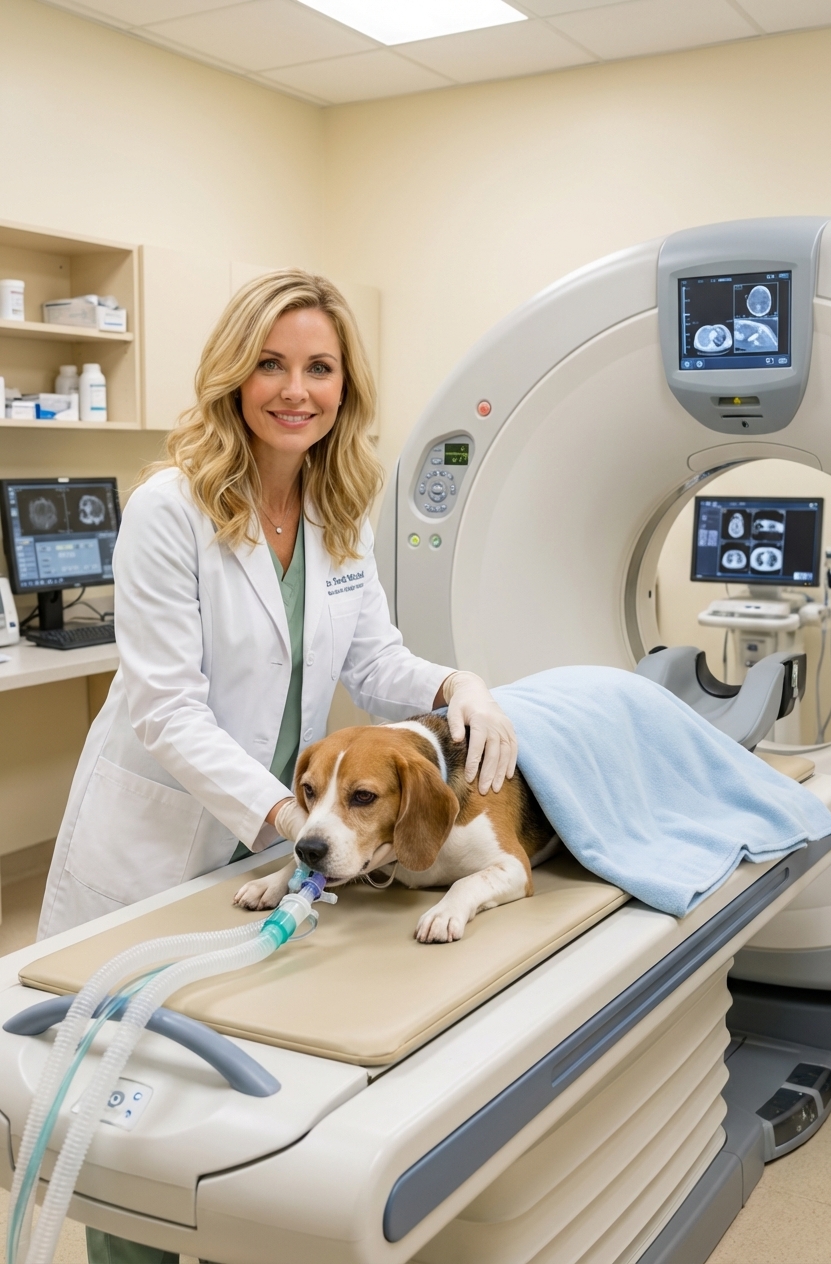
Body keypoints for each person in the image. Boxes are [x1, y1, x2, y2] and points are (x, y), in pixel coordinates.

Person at [36, 270, 517, 1264]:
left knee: (232, 1091)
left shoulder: (340, 507)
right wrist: (292, 825)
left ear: (346, 387)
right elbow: (167, 707)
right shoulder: (170, 508)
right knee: (130, 1101)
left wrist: (455, 683)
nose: (294, 389)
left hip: (271, 838)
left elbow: (375, 664)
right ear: (233, 375)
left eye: (319, 368)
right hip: (169, 833)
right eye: (271, 363)